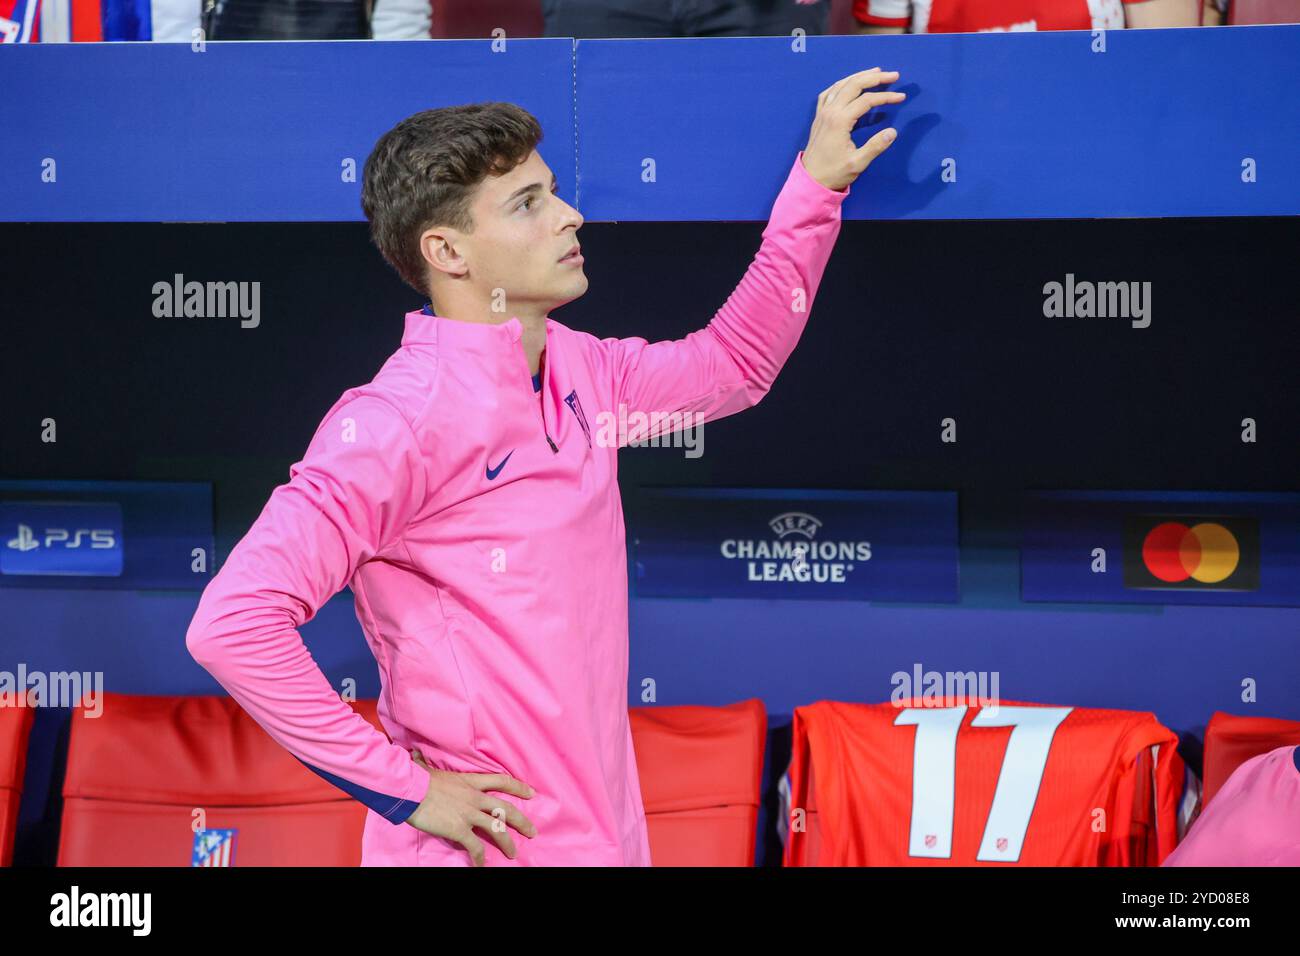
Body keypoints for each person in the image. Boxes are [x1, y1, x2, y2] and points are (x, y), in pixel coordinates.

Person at [185, 70, 904, 866]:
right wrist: (407, 790)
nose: (570, 216)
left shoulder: (584, 370)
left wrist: (816, 188)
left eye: (553, 191)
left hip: (604, 838)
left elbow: (736, 364)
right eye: (528, 203)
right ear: (447, 251)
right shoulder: (392, 422)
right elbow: (233, 624)